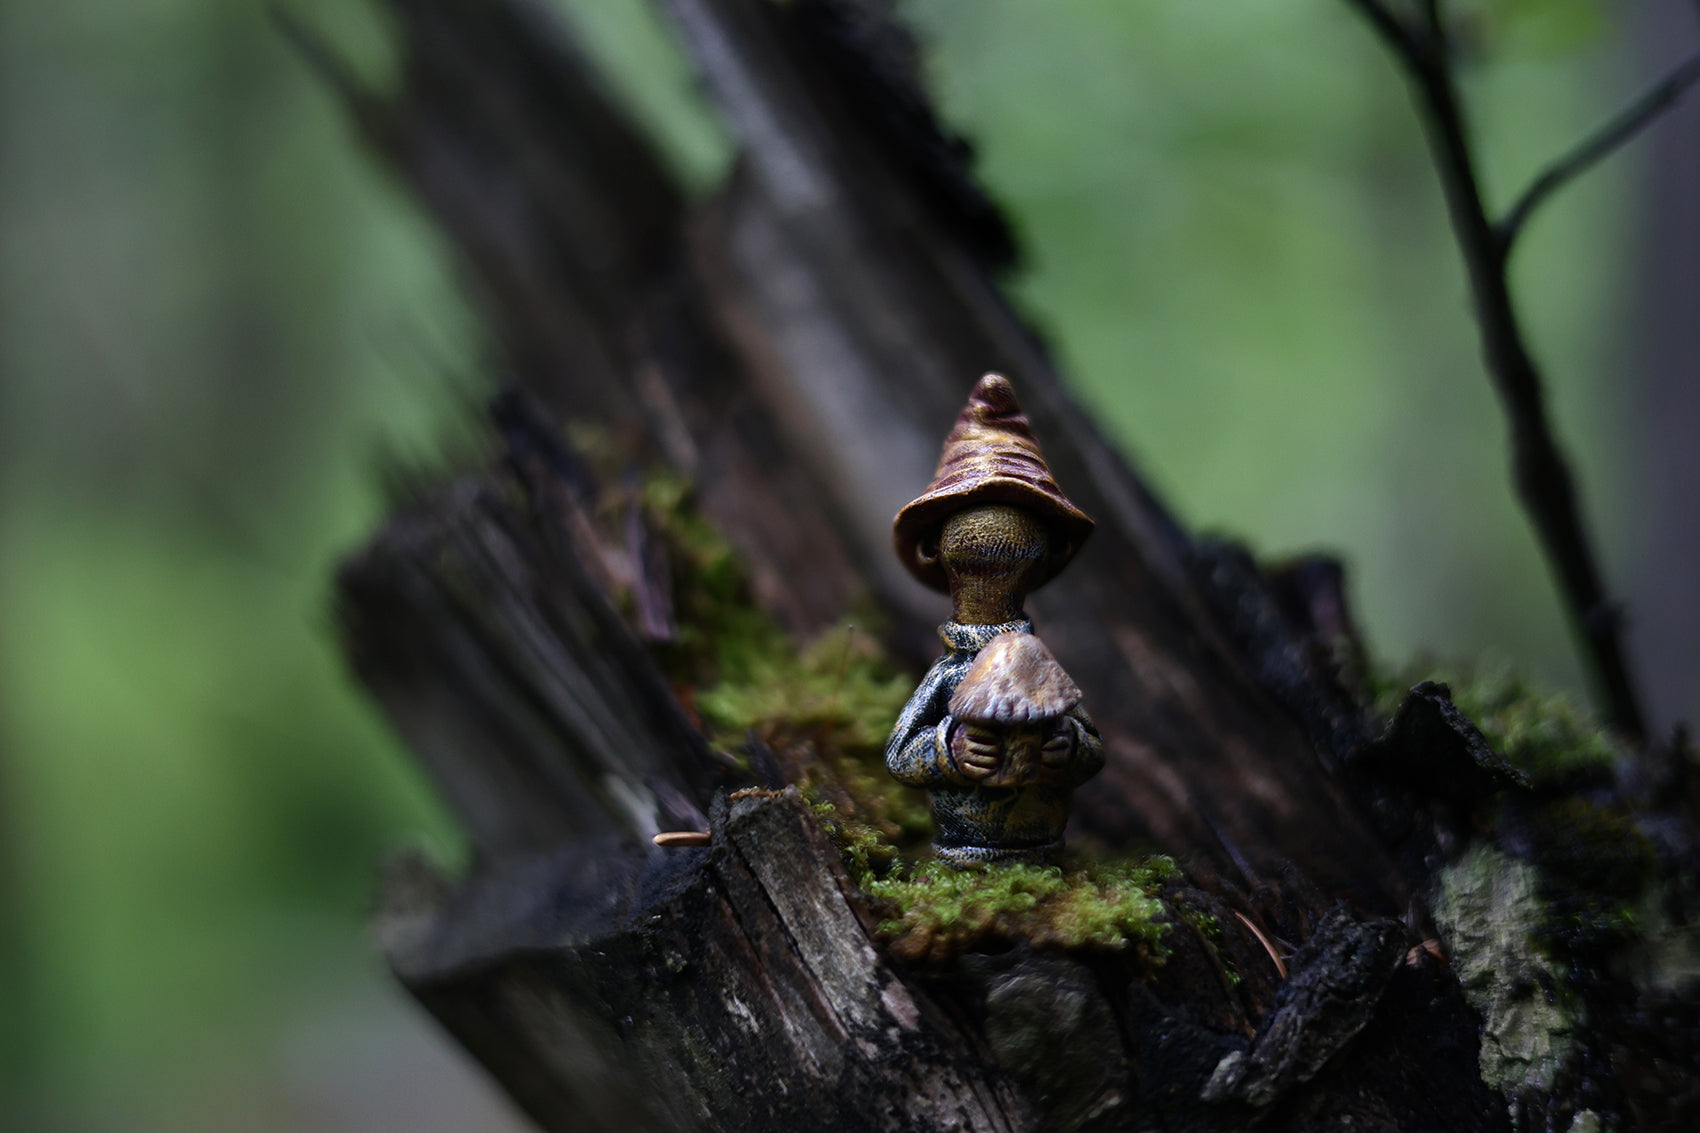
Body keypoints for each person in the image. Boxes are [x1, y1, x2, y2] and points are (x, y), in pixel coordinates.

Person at [884, 373, 1104, 863]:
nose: (990, 552)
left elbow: (1092, 747)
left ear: (1046, 556)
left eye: (1016, 548)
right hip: (962, 847)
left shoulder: (1037, 668)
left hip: (1043, 845)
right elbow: (900, 754)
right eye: (969, 545)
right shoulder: (950, 676)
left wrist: (1068, 745)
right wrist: (949, 749)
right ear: (936, 551)